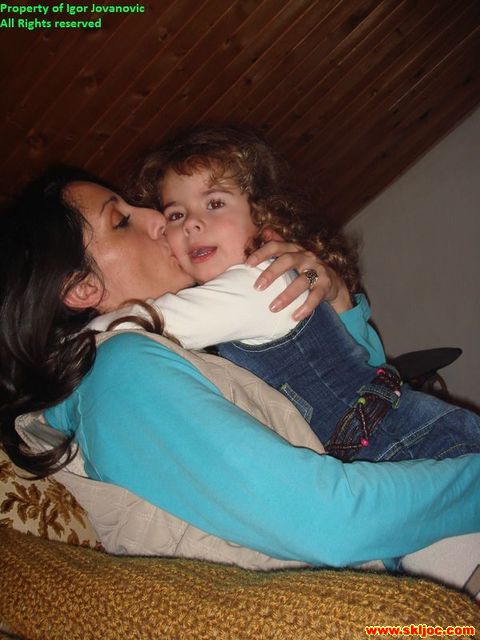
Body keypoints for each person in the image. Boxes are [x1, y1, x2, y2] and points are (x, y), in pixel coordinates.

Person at [0, 167, 479, 574]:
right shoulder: (119, 369)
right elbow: (330, 520)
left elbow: (362, 390)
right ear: (82, 288)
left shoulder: (168, 353)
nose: (157, 219)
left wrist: (336, 301)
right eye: (122, 221)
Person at [92, 125, 480, 463]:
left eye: (215, 203)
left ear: (263, 217)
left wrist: (70, 342)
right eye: (176, 214)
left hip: (413, 447)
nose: (192, 223)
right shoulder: (231, 305)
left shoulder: (254, 284)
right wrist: (340, 302)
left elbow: (144, 325)